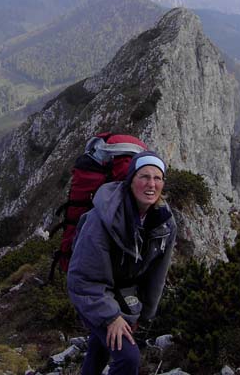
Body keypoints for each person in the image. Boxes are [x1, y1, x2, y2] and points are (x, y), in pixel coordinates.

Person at [67, 150, 177, 375]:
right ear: (130, 181)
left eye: (157, 178)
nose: (151, 184)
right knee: (128, 358)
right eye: (144, 176)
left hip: (122, 297)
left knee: (100, 349)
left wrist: (144, 313)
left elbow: (157, 275)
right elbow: (82, 278)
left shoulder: (165, 223)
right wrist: (111, 317)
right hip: (91, 295)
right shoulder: (102, 219)